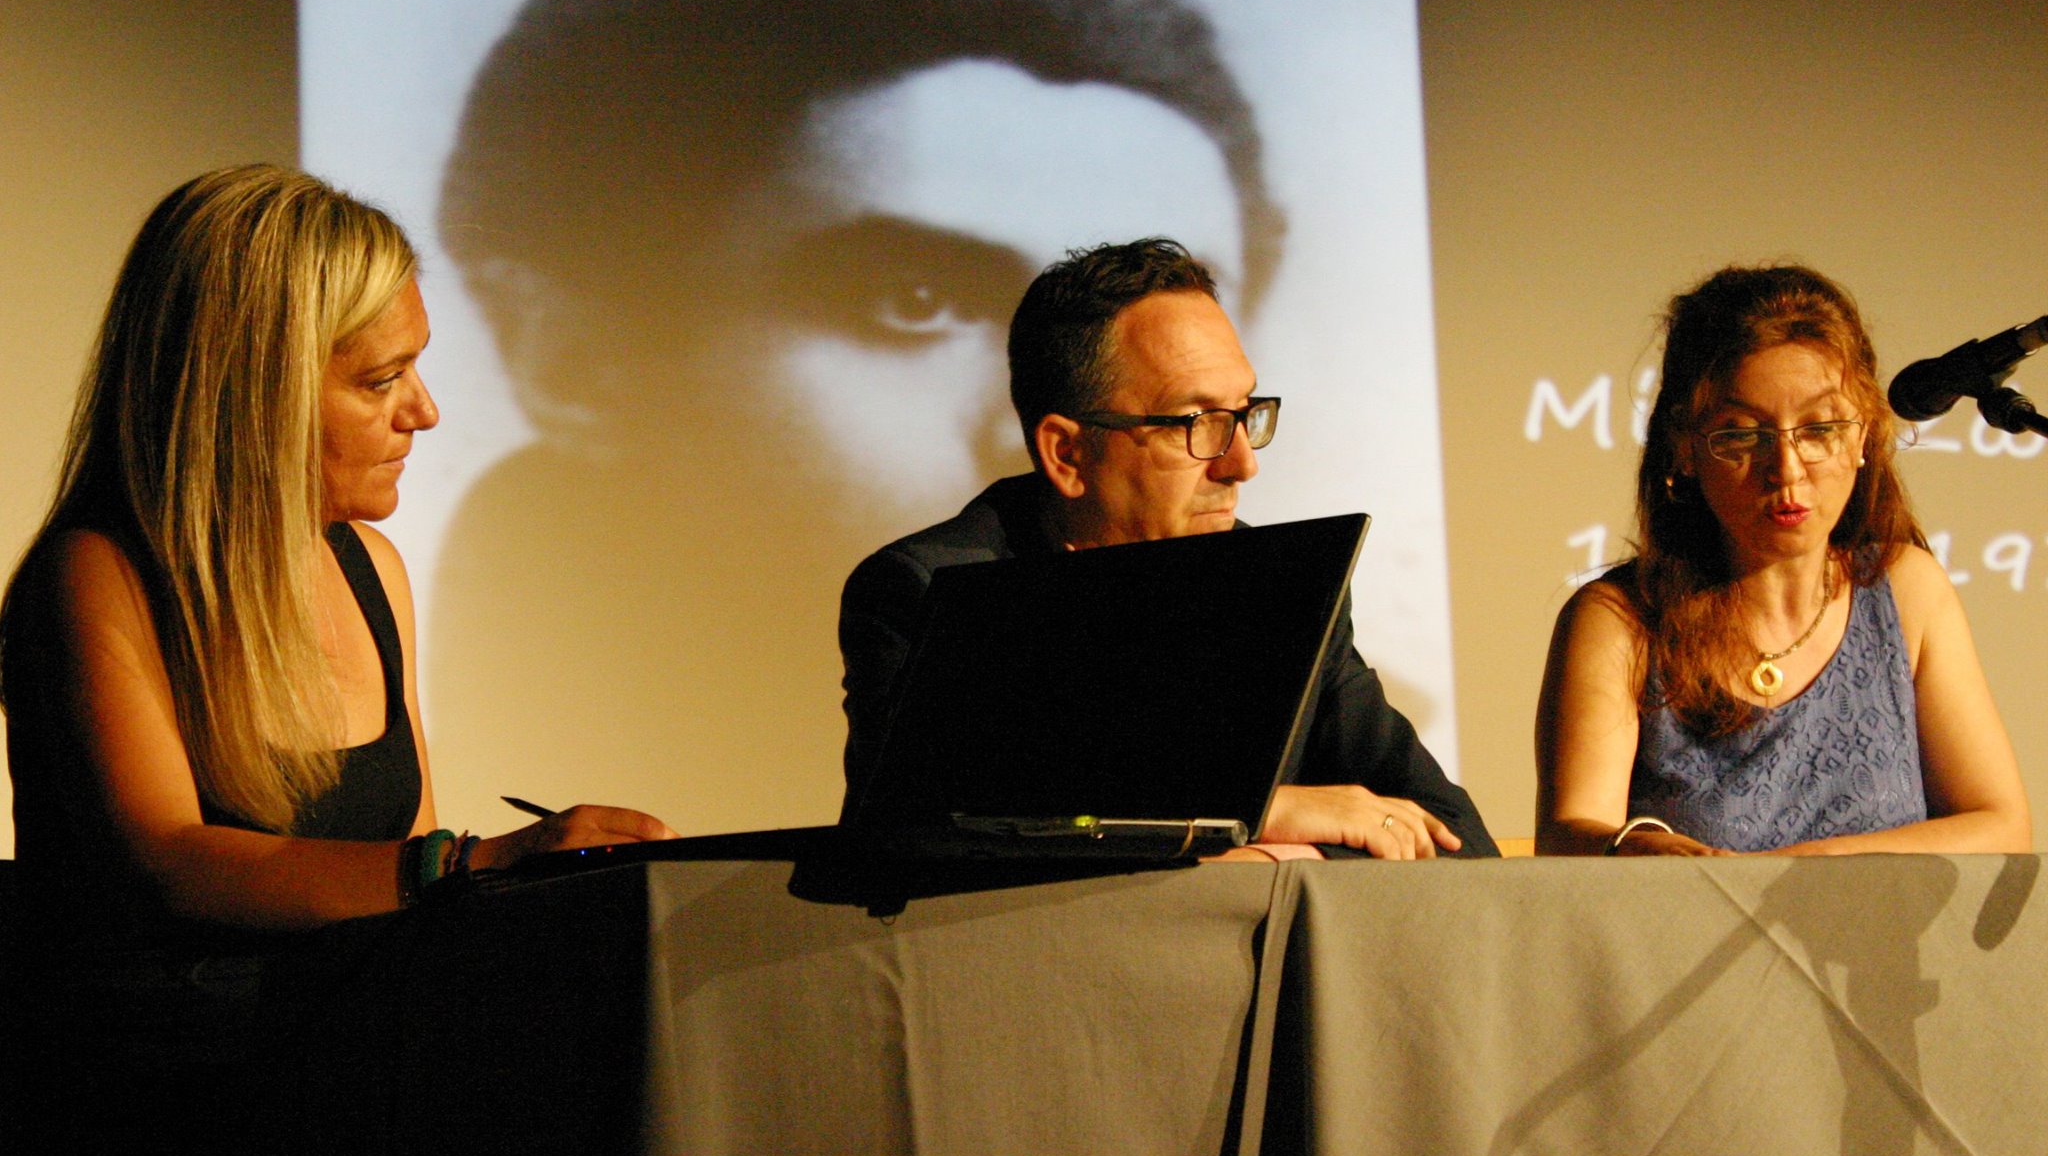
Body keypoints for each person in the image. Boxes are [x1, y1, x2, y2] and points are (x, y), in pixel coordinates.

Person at [429, 0, 1290, 828]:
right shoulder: (915, 595)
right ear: (572, 360)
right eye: (913, 301)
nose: (1013, 416)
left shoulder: (1281, 603)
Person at [0, 166, 673, 1156]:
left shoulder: (373, 572)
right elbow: (171, 864)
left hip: (348, 1099)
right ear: (251, 390)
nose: (424, 412)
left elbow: (413, 898)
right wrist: (475, 865)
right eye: (378, 381)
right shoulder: (97, 576)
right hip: (166, 1128)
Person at [838, 238, 1496, 859]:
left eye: (1243, 413)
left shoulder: (1277, 587)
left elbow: (1455, 836)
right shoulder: (925, 591)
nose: (1242, 464)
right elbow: (934, 842)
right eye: (1196, 422)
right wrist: (1257, 812)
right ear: (1068, 454)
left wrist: (1278, 856)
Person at [1535, 264, 2031, 855]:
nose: (1787, 470)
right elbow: (1568, 840)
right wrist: (1634, 852)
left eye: (1819, 429)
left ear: (1864, 437)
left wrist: (1807, 871)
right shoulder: (1622, 619)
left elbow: (2000, 826)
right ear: (1685, 448)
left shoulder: (1907, 589)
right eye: (1742, 434)